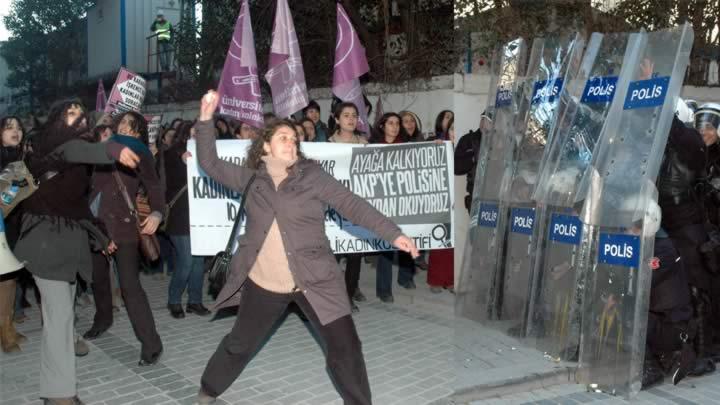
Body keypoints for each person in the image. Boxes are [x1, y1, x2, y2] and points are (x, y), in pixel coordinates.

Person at [192, 90, 419, 405]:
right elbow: (209, 163)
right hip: (264, 284)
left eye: (293, 139)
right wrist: (205, 118)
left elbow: (351, 204)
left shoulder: (312, 175)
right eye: (283, 137)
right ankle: (209, 388)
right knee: (240, 344)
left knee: (346, 349)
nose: (290, 142)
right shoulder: (251, 180)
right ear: (266, 147)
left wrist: (392, 233)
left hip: (316, 280)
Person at [13, 100, 140, 405]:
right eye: (70, 113)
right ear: (57, 118)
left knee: (62, 319)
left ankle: (56, 387)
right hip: (44, 243)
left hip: (67, 244)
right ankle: (59, 395)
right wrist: (111, 150)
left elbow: (77, 207)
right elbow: (76, 150)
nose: (77, 119)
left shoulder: (76, 161)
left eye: (80, 115)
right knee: (59, 320)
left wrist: (100, 236)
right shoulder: (49, 149)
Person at [83, 111, 165, 368]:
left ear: (138, 130)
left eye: (129, 123)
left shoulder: (138, 149)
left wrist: (157, 211)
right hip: (96, 225)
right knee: (97, 278)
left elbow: (154, 186)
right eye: (121, 122)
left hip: (124, 226)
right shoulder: (100, 147)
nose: (123, 126)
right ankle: (103, 319)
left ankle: (152, 344)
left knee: (130, 287)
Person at [369, 113, 416, 302]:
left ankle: (405, 277)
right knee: (386, 245)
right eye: (391, 123)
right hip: (381, 202)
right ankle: (384, 289)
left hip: (402, 201)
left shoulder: (406, 147)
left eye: (397, 124)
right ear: (382, 126)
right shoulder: (371, 148)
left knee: (406, 238)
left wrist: (439, 146)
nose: (395, 127)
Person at [164, 122, 209, 319]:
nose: (195, 138)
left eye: (199, 135)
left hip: (199, 215)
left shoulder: (206, 155)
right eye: (192, 135)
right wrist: (183, 156)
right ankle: (174, 300)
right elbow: (176, 160)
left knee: (198, 261)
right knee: (187, 260)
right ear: (183, 136)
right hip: (180, 216)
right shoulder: (172, 154)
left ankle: (195, 301)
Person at [329, 102, 368, 311]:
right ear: (336, 119)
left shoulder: (364, 143)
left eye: (354, 115)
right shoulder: (326, 145)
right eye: (346, 115)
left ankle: (348, 296)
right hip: (333, 209)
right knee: (332, 257)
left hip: (356, 208)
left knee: (355, 255)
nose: (351, 119)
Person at [0, 116, 27, 353]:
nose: (15, 132)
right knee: (4, 281)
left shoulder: (18, 158)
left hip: (14, 224)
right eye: (9, 128)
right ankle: (5, 333)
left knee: (9, 281)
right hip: (2, 226)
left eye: (18, 128)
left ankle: (7, 326)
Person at [427, 117, 455, 293]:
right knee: (439, 240)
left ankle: (451, 280)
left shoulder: (464, 147)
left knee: (454, 243)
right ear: (447, 131)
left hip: (458, 199)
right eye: (452, 129)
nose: (454, 132)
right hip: (440, 200)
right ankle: (436, 280)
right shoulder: (439, 146)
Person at [455, 110, 492, 212]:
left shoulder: (502, 140)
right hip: (475, 196)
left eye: (488, 121)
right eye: (483, 119)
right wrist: (472, 159)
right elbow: (456, 167)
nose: (484, 123)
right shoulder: (468, 140)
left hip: (496, 197)